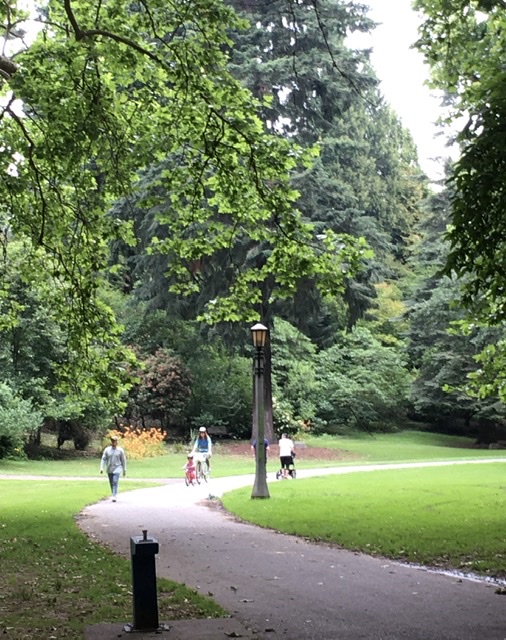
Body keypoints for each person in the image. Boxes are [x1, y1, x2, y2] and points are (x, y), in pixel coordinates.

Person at [100, 435, 127, 502]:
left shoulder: (120, 450)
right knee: (111, 482)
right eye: (112, 441)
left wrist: (124, 470)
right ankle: (113, 493)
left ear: (117, 442)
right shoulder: (107, 450)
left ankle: (114, 495)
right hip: (109, 468)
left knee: (115, 481)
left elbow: (123, 460)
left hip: (117, 468)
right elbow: (103, 459)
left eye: (114, 441)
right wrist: (101, 468)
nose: (113, 442)